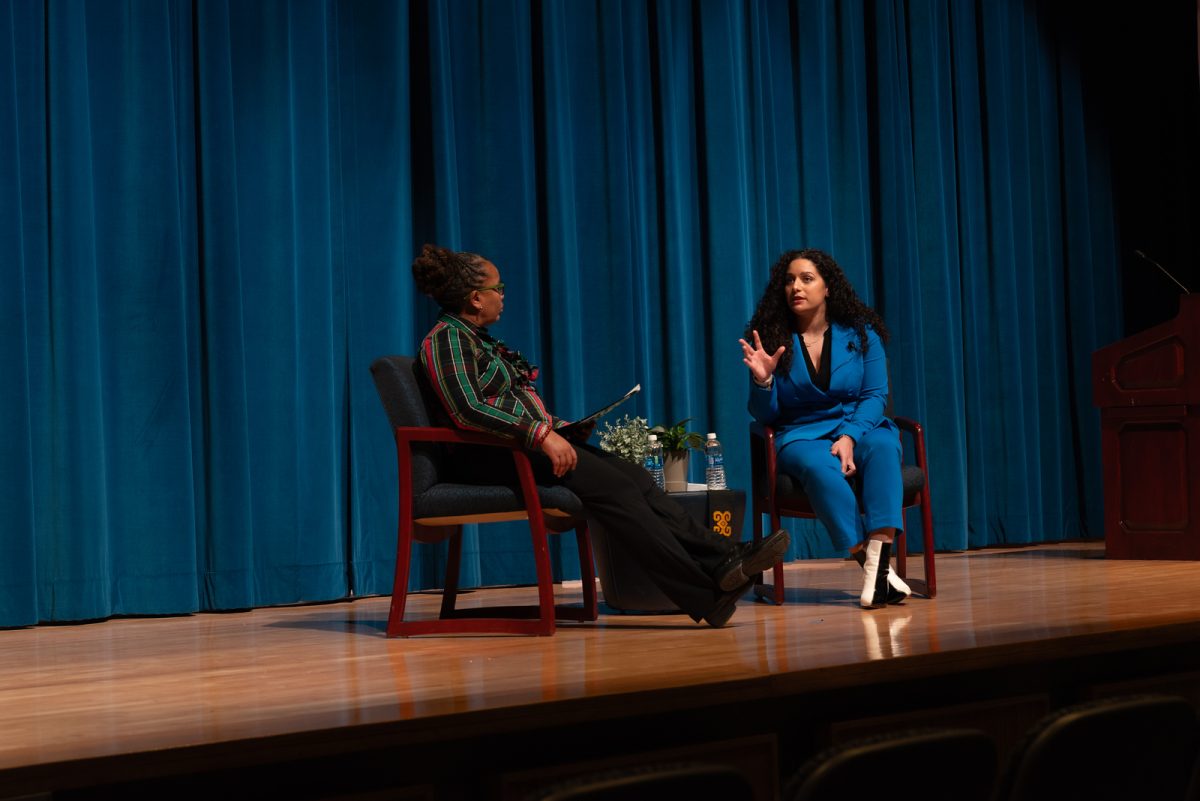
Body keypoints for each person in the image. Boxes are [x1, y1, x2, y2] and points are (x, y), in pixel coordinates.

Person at [411, 243, 789, 627]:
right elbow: (469, 410)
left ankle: (724, 558)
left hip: (519, 448)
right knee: (618, 491)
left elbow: (509, 406)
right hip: (492, 458)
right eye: (499, 287)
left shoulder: (477, 340)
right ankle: (707, 593)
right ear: (476, 299)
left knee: (635, 477)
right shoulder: (446, 340)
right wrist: (543, 436)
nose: (503, 296)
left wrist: (562, 429)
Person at [740, 249, 911, 609]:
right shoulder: (773, 340)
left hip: (860, 424)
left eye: (806, 278)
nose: (795, 287)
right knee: (820, 469)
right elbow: (765, 416)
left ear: (828, 287)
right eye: (789, 280)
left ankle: (875, 570)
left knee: (883, 447)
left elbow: (875, 394)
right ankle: (875, 570)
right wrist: (764, 382)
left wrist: (850, 435)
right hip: (802, 433)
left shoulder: (862, 335)